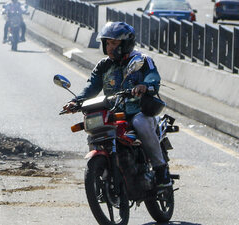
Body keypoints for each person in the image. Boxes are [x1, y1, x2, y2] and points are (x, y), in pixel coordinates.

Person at [62, 22, 172, 188]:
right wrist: (75, 101)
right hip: (113, 112)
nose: (110, 47)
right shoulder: (104, 65)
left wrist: (144, 86)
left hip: (137, 110)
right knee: (93, 130)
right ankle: (103, 175)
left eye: (114, 43)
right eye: (107, 43)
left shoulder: (141, 60)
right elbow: (92, 86)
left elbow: (153, 77)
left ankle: (160, 169)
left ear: (126, 44)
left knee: (140, 123)